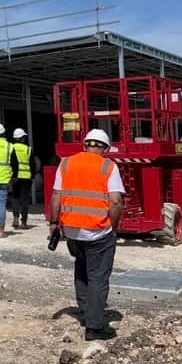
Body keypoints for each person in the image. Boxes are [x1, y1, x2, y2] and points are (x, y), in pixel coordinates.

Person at [48, 128, 124, 341]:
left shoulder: (66, 163)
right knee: (98, 276)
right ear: (105, 148)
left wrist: (54, 223)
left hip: (71, 229)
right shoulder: (108, 166)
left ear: (85, 145)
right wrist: (114, 228)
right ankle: (94, 327)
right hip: (98, 229)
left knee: (81, 270)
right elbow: (116, 202)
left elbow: (56, 194)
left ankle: (85, 310)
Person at [10, 128, 33, 229]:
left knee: (15, 197)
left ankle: (15, 217)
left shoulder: (11, 148)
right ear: (22, 138)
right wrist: (32, 175)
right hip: (26, 177)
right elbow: (32, 164)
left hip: (15, 177)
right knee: (25, 199)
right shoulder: (28, 149)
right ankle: (24, 221)